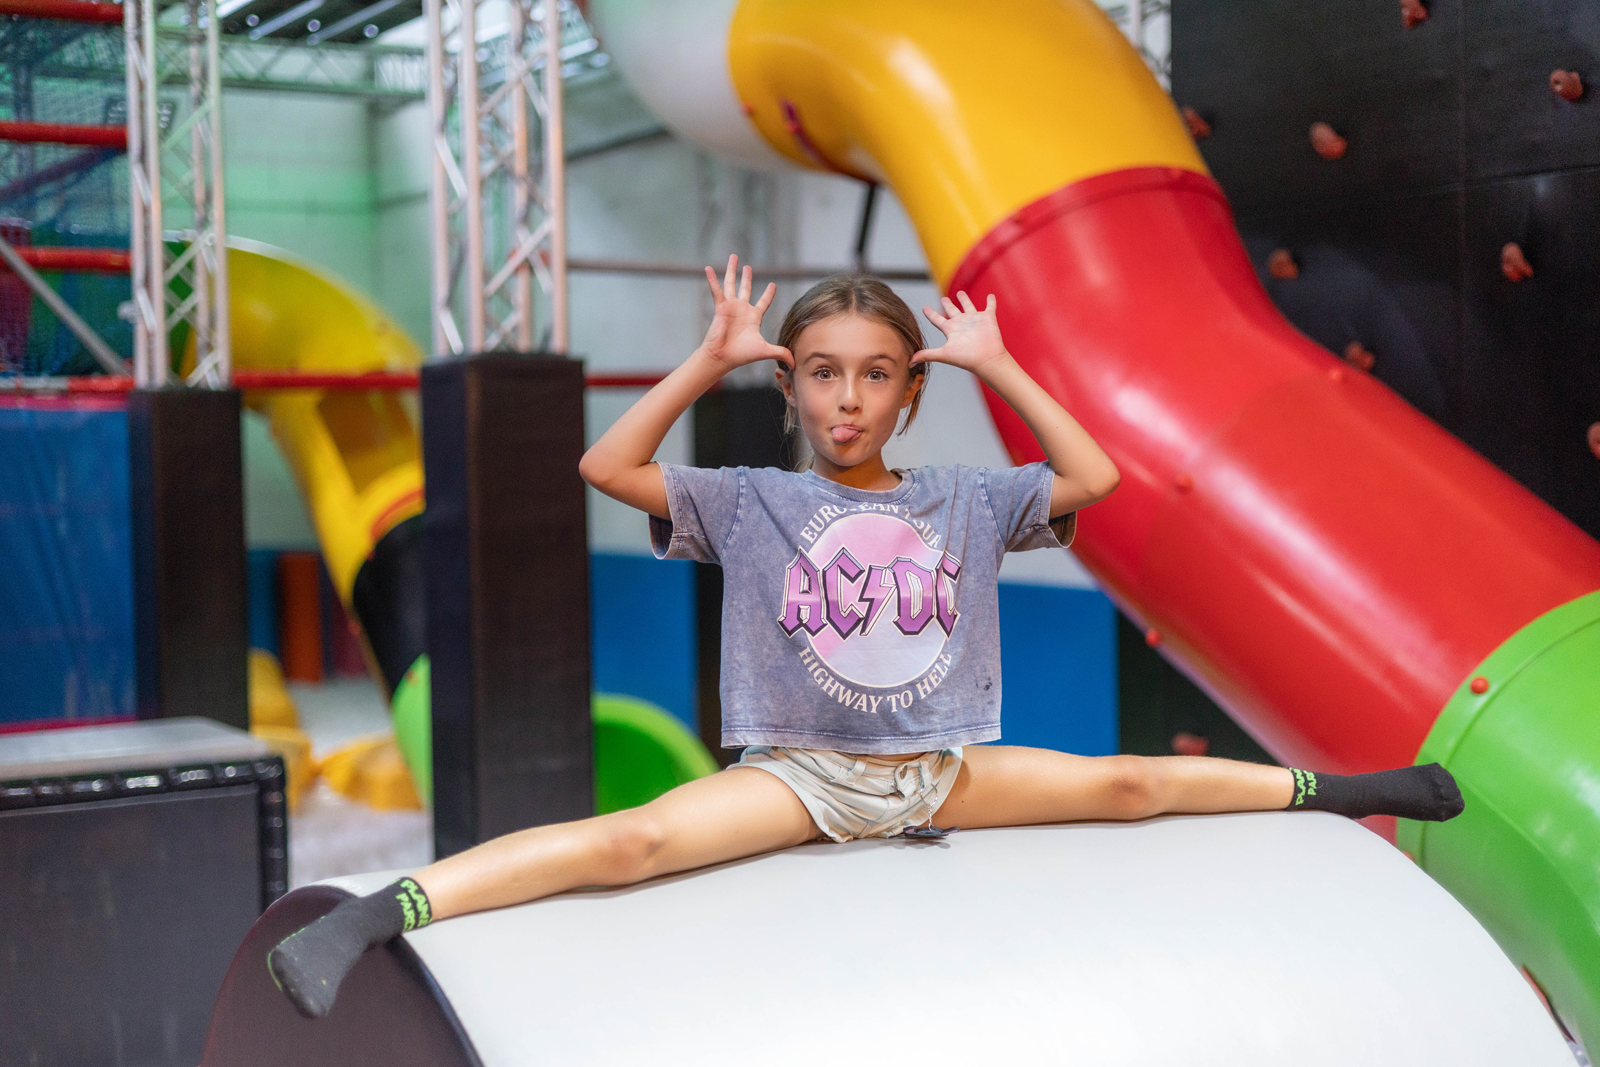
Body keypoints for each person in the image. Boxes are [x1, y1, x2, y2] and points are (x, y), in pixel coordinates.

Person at [267, 257, 1464, 1019]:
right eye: (824, 374)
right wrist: (707, 359)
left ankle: (1345, 789)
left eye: (876, 375)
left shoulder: (963, 498)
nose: (848, 398)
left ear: (908, 392)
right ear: (791, 388)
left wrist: (1001, 363)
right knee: (635, 841)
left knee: (1128, 782)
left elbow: (1093, 474)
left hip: (940, 770)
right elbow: (604, 464)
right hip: (803, 778)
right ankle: (383, 910)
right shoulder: (750, 499)